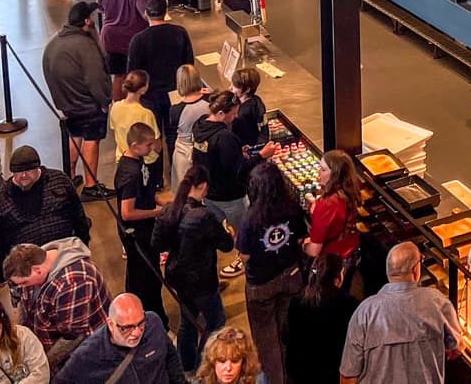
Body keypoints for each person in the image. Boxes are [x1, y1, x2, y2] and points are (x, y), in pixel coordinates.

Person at [338, 243, 460, 384]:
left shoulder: (365, 312)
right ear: (416, 269)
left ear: (389, 271)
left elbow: (348, 377)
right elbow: (456, 347)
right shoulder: (437, 302)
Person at [152, 164, 235, 372]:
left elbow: (157, 244)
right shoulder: (203, 216)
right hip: (202, 279)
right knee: (216, 323)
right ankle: (201, 367)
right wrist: (229, 233)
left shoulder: (169, 210)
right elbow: (226, 245)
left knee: (188, 322)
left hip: (178, 276)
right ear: (203, 186)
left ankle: (184, 366)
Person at [237, 162, 307, 383]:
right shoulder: (292, 207)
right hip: (291, 275)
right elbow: (299, 239)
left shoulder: (250, 218)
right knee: (288, 330)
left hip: (261, 283)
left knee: (267, 340)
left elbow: (245, 256)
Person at [0, 146, 92, 283]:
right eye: (18, 171)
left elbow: (79, 217)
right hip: (26, 271)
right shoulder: (0, 200)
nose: (23, 175)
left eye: (28, 170)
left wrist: (83, 246)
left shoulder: (59, 181)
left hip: (64, 259)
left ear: (38, 168)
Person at [43, 1, 113, 199]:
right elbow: (96, 79)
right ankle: (91, 186)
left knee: (75, 135)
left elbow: (46, 69)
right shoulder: (85, 45)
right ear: (86, 21)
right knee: (92, 139)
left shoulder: (54, 41)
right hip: (87, 104)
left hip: (67, 103)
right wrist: (104, 101)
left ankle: (70, 176)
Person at [3, 239, 112, 351]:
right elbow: (26, 305)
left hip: (86, 350)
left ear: (37, 270)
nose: (23, 287)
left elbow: (72, 338)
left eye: (24, 283)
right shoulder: (37, 261)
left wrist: (45, 363)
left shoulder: (73, 282)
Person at [56, 293, 185, 384]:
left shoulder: (153, 322)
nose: (136, 332)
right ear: (111, 324)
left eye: (140, 323)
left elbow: (170, 356)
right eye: (127, 328)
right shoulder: (87, 354)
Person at [115, 121, 168, 328]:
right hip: (137, 233)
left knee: (149, 273)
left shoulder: (140, 163)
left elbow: (146, 193)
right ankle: (151, 320)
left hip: (147, 227)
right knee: (146, 278)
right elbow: (127, 213)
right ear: (135, 146)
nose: (152, 148)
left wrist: (162, 203)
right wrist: (157, 212)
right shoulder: (130, 173)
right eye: (148, 145)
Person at [127, 0, 194, 147]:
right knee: (174, 136)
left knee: (152, 138)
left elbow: (132, 72)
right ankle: (174, 168)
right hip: (176, 93)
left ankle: (156, 169)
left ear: (145, 14)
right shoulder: (180, 33)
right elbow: (189, 64)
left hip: (149, 96)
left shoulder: (138, 40)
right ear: (166, 12)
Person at [190, 91, 249, 258]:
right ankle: (242, 258)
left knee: (214, 229)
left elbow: (213, 156)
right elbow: (238, 169)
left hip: (208, 193)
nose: (236, 117)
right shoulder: (224, 137)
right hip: (230, 196)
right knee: (243, 232)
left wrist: (236, 152)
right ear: (222, 113)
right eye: (234, 113)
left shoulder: (199, 126)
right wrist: (261, 156)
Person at [285, 254, 358, 384]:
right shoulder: (349, 305)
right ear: (338, 277)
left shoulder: (296, 301)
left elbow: (287, 337)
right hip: (332, 373)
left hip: (301, 373)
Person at [99, 0, 151, 101]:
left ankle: (118, 107)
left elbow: (100, 8)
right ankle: (134, 105)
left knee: (118, 75)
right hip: (131, 39)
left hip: (110, 38)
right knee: (133, 74)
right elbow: (146, 14)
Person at [303, 151, 362, 266]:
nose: (318, 172)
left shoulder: (326, 205)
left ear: (335, 174)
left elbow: (314, 250)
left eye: (323, 169)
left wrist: (304, 246)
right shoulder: (351, 189)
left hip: (331, 261)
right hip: (351, 252)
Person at [110, 70, 163, 186]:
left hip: (122, 158)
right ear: (144, 89)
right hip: (145, 161)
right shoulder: (146, 114)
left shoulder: (116, 107)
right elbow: (156, 144)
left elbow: (114, 129)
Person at [168, 64, 210, 191]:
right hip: (205, 150)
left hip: (183, 153)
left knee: (184, 191)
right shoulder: (209, 102)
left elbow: (172, 131)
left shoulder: (175, 110)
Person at [229, 67, 267, 150]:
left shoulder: (252, 108)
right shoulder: (255, 100)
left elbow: (263, 128)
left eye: (235, 86)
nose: (230, 88)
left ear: (247, 89)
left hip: (246, 147)